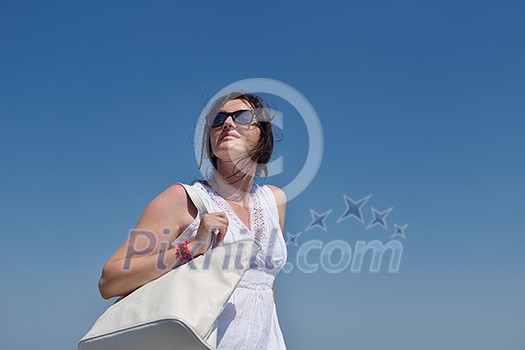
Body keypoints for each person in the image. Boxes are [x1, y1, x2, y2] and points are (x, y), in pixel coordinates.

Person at [98, 91, 288, 349]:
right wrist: (190, 249)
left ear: (263, 134)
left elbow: (265, 288)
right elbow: (110, 280)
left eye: (242, 116)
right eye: (218, 119)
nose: (228, 123)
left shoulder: (274, 201)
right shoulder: (183, 199)